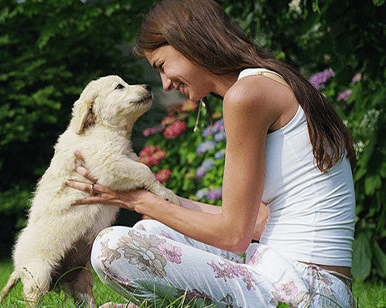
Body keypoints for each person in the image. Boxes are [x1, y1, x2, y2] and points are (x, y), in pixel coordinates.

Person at [65, 0, 356, 306]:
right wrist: (151, 194)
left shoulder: (247, 95)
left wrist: (133, 199)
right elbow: (257, 224)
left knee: (113, 247)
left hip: (304, 290)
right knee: (150, 231)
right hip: (304, 282)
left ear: (189, 41)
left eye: (163, 66)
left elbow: (233, 235)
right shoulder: (264, 81)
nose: (165, 83)